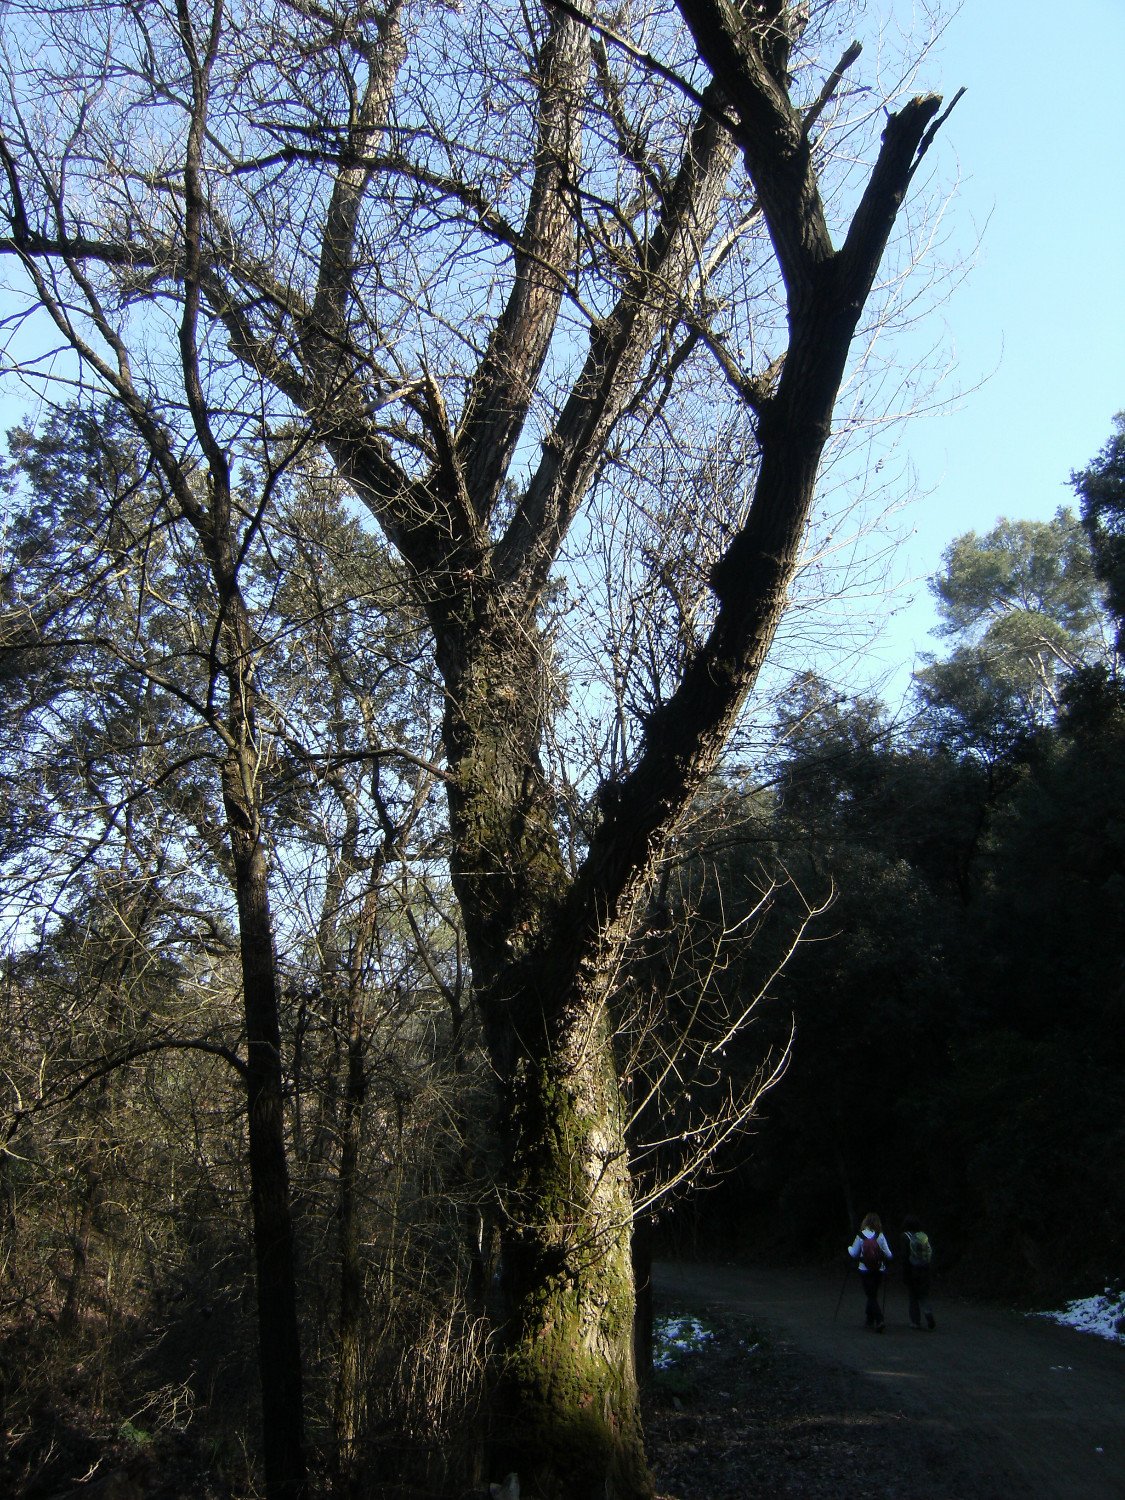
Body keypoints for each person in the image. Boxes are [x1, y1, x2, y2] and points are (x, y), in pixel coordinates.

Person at [848, 1212, 892, 1331]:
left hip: (865, 1269)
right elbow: (889, 1255)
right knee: (873, 1294)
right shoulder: (880, 1235)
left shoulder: (860, 1235)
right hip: (879, 1269)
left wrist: (849, 1248)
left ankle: (879, 1319)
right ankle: (869, 1319)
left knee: (870, 1295)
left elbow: (854, 1253)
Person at [901, 1214, 936, 1330]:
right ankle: (928, 1312)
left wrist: (905, 1274)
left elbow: (905, 1257)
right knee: (924, 1294)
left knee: (913, 1296)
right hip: (925, 1269)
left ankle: (915, 1321)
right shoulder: (923, 1236)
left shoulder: (905, 1237)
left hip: (913, 1270)